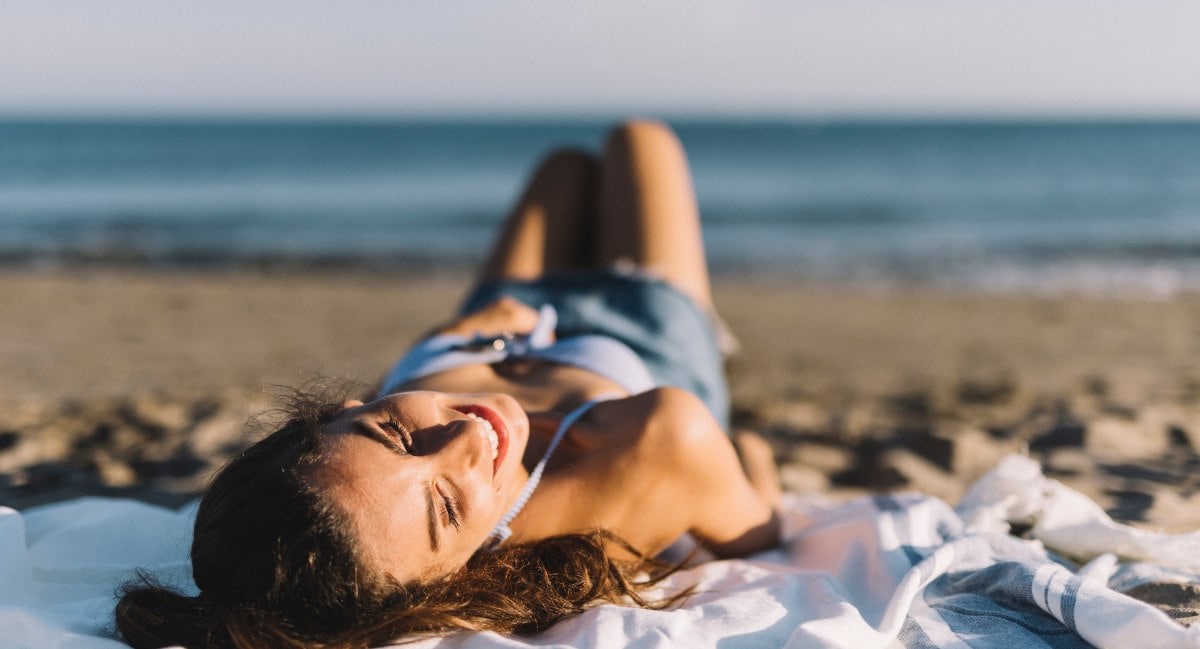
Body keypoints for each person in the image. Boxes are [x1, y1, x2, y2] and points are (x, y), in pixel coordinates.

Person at [114, 120, 783, 649]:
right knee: (639, 138)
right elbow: (757, 525)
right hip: (642, 326)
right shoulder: (654, 444)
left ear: (345, 409)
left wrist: (472, 329)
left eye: (395, 431)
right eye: (444, 508)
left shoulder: (358, 498)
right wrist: (745, 449)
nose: (466, 433)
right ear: (446, 580)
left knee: (565, 168)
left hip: (496, 314)